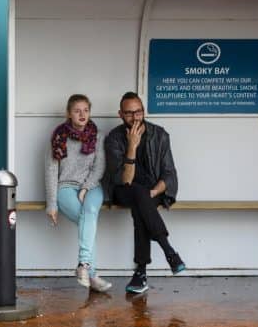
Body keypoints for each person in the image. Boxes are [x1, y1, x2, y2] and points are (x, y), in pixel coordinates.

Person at [104, 91, 185, 294]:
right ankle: (169, 251)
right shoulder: (113, 138)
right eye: (129, 113)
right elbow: (125, 179)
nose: (135, 117)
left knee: (141, 204)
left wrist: (153, 192)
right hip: (123, 190)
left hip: (152, 189)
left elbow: (169, 174)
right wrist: (131, 146)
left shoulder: (160, 134)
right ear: (120, 114)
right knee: (139, 195)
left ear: (143, 111)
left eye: (138, 112)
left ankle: (140, 273)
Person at [45, 94, 112, 293]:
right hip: (65, 186)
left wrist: (85, 188)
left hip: (91, 186)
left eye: (86, 110)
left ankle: (83, 266)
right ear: (69, 113)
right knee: (87, 221)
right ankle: (91, 273)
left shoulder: (97, 135)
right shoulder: (58, 136)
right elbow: (50, 170)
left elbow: (100, 167)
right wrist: (52, 204)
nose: (82, 114)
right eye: (77, 110)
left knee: (89, 214)